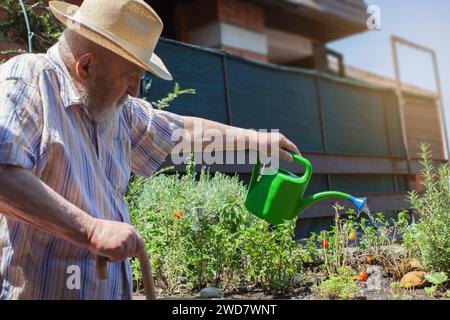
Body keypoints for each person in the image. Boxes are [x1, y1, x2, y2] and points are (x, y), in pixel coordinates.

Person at [0, 0, 300, 299]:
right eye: (129, 75)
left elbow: (180, 130)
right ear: (86, 66)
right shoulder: (26, 79)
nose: (135, 89)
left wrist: (257, 140)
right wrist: (90, 230)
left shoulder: (117, 111)